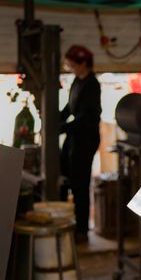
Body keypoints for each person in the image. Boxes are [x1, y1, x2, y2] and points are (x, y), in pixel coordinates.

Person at [59, 44, 101, 244]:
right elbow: (70, 106)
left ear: (83, 63)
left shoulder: (92, 84)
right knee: (64, 173)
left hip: (85, 138)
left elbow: (85, 117)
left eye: (73, 64)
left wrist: (64, 128)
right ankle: (69, 221)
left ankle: (82, 229)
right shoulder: (77, 81)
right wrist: (58, 119)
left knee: (80, 184)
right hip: (74, 135)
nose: (71, 68)